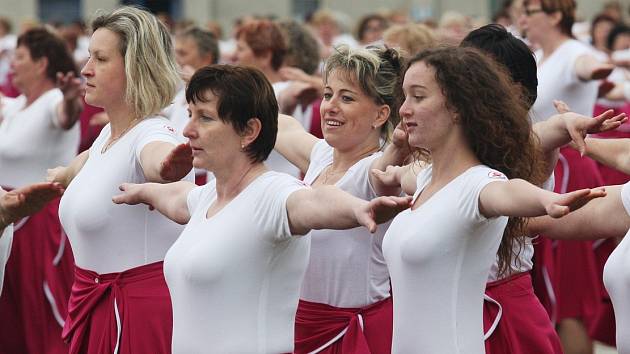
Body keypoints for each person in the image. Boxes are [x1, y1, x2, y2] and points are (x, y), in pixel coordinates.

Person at [111, 64, 411, 353]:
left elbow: (313, 201)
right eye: (190, 115)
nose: (187, 130)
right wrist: (142, 190)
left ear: (249, 131)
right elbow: (178, 197)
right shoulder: (209, 198)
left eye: (204, 118)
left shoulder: (272, 193)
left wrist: (360, 209)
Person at [381, 46, 604, 353]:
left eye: (418, 97)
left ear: (457, 106)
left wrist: (547, 200)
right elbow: (391, 174)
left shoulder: (479, 182)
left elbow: (507, 191)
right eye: (404, 97)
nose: (404, 109)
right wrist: (385, 175)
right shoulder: (423, 179)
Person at [48, 7, 194, 353]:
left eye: (100, 58)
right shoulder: (108, 138)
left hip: (135, 315)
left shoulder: (152, 132)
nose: (85, 69)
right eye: (88, 56)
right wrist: (61, 175)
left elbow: (159, 156)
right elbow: (84, 167)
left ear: (134, 68)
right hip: (97, 304)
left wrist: (168, 166)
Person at [274, 45, 408, 353]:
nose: (330, 106)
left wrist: (400, 145)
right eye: (327, 94)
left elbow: (385, 165)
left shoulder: (374, 172)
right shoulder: (320, 155)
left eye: (346, 98)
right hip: (301, 323)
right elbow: (276, 124)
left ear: (380, 114)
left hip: (352, 333)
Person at [521, 2, 615, 351]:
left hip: (569, 169)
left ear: (556, 15)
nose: (523, 18)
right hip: (543, 167)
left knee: (568, 288)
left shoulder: (574, 51)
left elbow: (588, 66)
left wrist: (602, 68)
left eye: (530, 10)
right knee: (549, 283)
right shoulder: (541, 56)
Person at [0, 26, 82, 354]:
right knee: (11, 305)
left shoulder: (53, 101)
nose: (12, 63)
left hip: (37, 219)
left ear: (42, 63)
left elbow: (65, 116)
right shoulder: (18, 104)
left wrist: (72, 102)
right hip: (8, 215)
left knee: (41, 307)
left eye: (20, 57)